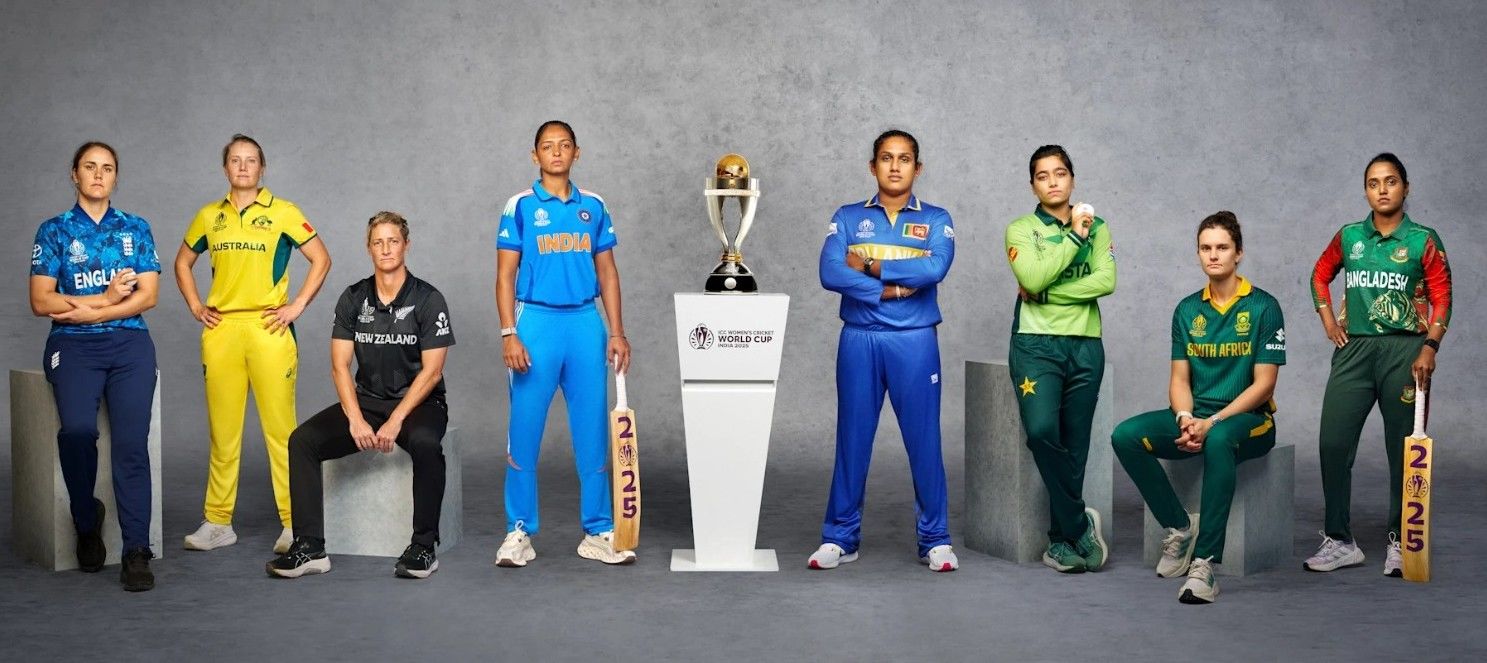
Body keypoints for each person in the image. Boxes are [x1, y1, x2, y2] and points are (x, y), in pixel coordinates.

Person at [266, 212, 454, 579]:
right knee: (302, 441)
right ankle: (310, 547)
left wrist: (397, 419)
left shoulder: (428, 299)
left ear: (406, 245)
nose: (386, 249)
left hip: (419, 403)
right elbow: (340, 366)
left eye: (393, 241)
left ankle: (423, 547)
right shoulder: (354, 298)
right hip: (367, 401)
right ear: (368, 248)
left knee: (427, 444)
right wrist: (355, 418)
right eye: (378, 242)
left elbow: (432, 372)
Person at [1111, 211, 1285, 604]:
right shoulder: (1187, 310)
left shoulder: (1263, 307)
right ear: (1198, 254)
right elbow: (1179, 380)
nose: (1213, 255)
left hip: (1249, 421)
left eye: (1222, 247)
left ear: (1238, 253)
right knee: (1124, 436)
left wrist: (1213, 422)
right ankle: (1178, 527)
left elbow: (1265, 384)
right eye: (1206, 248)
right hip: (1200, 416)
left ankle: (1205, 565)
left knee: (1220, 439)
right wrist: (1186, 418)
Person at [810, 129, 958, 572]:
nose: (895, 166)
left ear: (918, 167)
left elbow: (936, 267)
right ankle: (839, 537)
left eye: (905, 158)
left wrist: (872, 267)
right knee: (852, 439)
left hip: (913, 342)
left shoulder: (935, 218)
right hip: (859, 339)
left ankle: (936, 539)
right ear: (873, 166)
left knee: (924, 441)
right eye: (887, 158)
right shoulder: (849, 216)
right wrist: (890, 290)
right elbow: (830, 271)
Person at [177, 134, 331, 554]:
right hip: (222, 330)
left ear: (262, 169)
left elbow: (321, 258)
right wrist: (195, 304)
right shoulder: (210, 216)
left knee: (282, 432)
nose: (243, 167)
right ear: (225, 168)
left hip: (269, 330)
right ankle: (218, 521)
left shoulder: (283, 212)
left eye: (251, 161)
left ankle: (293, 523)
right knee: (223, 433)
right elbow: (182, 262)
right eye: (234, 160)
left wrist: (296, 305)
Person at [493, 120, 634, 567]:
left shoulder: (593, 205)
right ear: (535, 156)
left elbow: (608, 272)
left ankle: (598, 530)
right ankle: (519, 531)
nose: (556, 152)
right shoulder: (519, 206)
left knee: (592, 431)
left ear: (577, 152)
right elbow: (504, 275)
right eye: (547, 147)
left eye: (565, 145)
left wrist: (616, 330)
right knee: (525, 432)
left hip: (584, 325)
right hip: (534, 323)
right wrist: (508, 332)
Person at [1305, 153, 1451, 576]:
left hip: (1406, 352)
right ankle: (1340, 541)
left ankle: (1401, 542)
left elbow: (1443, 295)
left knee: (1401, 451)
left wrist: (1431, 347)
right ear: (1366, 190)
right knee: (1333, 443)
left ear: (1405, 187)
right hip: (1354, 351)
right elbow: (1319, 274)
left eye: (1390, 181)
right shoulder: (1349, 235)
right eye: (1373, 183)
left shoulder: (1424, 239)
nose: (1382, 189)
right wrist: (1328, 318)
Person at [29, 141, 162, 591]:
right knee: (78, 431)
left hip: (130, 345)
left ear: (115, 177)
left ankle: (136, 550)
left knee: (130, 443)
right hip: (73, 345)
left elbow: (149, 296)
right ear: (74, 175)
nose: (99, 174)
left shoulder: (135, 228)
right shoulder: (54, 231)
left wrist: (98, 310)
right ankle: (86, 520)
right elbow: (41, 301)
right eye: (90, 167)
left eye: (107, 168)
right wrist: (105, 300)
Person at [1004, 144, 1116, 573]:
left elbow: (1107, 280)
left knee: (1076, 445)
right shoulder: (1020, 229)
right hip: (1036, 342)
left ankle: (1061, 542)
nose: (1052, 182)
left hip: (1086, 343)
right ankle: (1078, 519)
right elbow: (1030, 275)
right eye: (1042, 176)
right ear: (1032, 184)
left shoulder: (1099, 226)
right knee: (1042, 431)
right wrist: (1073, 237)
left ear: (1072, 178)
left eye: (1060, 174)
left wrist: (1049, 292)